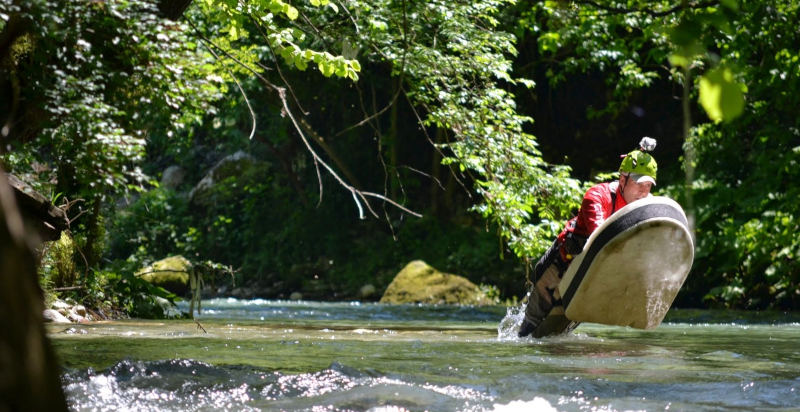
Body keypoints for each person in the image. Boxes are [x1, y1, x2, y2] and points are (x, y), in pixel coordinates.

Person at [518, 137, 658, 337]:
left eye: (648, 186)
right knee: (528, 331)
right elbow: (600, 237)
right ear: (622, 180)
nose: (644, 192)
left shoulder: (646, 203)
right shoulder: (597, 196)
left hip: (587, 275)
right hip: (560, 264)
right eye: (638, 184)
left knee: (558, 335)